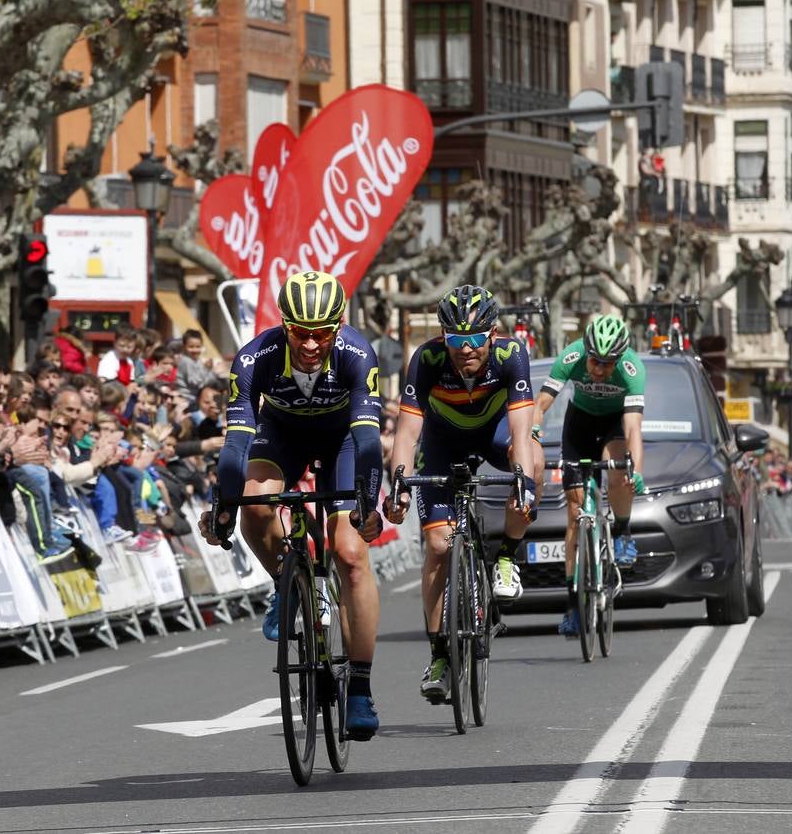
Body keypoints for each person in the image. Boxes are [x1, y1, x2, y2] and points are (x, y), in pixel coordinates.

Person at [197, 271, 385, 740]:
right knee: (255, 506)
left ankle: (359, 686)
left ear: (338, 326)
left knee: (349, 555)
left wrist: (367, 501)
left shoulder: (357, 355)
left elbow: (366, 441)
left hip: (343, 440)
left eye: (322, 332)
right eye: (300, 331)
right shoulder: (254, 357)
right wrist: (223, 506)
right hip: (280, 436)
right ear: (285, 324)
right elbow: (236, 445)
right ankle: (286, 582)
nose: (310, 342)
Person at [383, 286, 540, 702]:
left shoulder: (511, 355)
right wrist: (398, 484)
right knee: (437, 545)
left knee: (534, 459)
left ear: (492, 334)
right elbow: (407, 433)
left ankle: (506, 558)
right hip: (442, 445)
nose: (465, 349)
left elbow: (522, 430)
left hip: (496, 436)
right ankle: (438, 656)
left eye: (475, 339)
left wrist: (523, 482)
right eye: (456, 339)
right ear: (443, 337)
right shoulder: (427, 359)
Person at [533, 313, 647, 638]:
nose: (598, 370)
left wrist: (635, 469)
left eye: (607, 364)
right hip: (579, 423)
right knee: (574, 513)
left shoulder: (632, 371)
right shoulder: (571, 356)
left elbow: (633, 428)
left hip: (614, 423)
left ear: (620, 358)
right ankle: (572, 605)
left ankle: (623, 532)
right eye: (595, 361)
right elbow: (541, 402)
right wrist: (534, 430)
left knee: (618, 471)